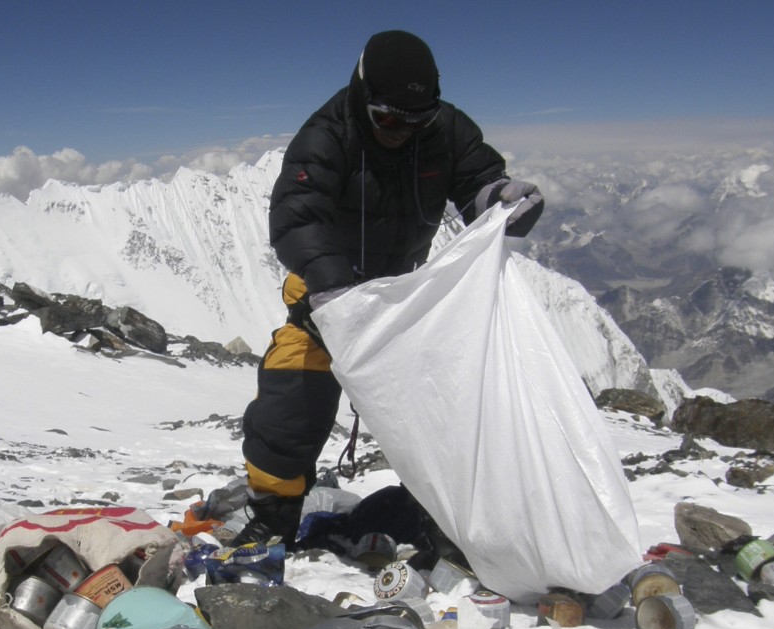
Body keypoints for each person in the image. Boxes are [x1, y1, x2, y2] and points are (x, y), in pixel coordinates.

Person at [229, 29, 544, 547]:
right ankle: (273, 516)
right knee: (289, 405)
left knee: (446, 411)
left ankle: (442, 517)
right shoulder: (326, 136)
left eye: (415, 120)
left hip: (404, 301)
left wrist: (501, 200)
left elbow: (477, 181)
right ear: (361, 94)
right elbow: (295, 219)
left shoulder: (446, 130)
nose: (401, 130)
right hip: (325, 303)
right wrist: (333, 291)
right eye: (388, 118)